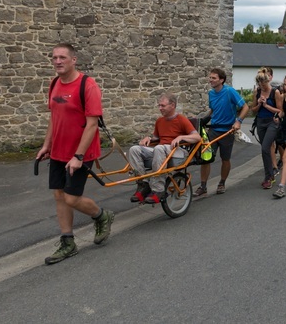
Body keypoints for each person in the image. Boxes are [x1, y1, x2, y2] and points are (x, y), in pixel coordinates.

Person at [36, 43, 114, 265]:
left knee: (71, 198)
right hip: (59, 152)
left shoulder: (87, 86)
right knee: (59, 196)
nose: (57, 61)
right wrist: (46, 145)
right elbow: (54, 118)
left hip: (82, 152)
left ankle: (102, 215)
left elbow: (92, 125)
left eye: (62, 57)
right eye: (54, 58)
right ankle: (68, 242)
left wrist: (78, 156)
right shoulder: (54, 84)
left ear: (73, 60)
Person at [128, 93, 201, 203]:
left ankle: (158, 190)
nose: (160, 108)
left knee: (159, 148)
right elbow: (156, 139)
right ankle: (143, 185)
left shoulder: (181, 119)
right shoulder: (159, 121)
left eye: (162, 105)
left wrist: (181, 137)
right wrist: (148, 139)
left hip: (178, 153)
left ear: (172, 105)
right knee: (134, 149)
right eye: (159, 106)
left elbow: (197, 137)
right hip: (162, 151)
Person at [195, 68, 249, 196]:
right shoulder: (211, 93)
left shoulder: (229, 91)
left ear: (221, 80)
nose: (210, 80)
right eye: (210, 78)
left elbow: (246, 107)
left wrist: (238, 121)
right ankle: (203, 186)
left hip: (227, 131)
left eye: (213, 78)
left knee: (225, 159)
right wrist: (204, 119)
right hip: (213, 130)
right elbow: (213, 110)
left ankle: (222, 183)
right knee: (206, 158)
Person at [250, 71, 283, 190]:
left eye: (263, 83)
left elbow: (280, 110)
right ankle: (270, 174)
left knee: (265, 148)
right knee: (265, 150)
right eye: (259, 83)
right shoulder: (257, 92)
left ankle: (268, 177)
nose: (261, 86)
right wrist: (259, 104)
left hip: (271, 122)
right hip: (260, 121)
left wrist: (266, 105)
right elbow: (253, 110)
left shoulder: (276, 92)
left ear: (267, 81)